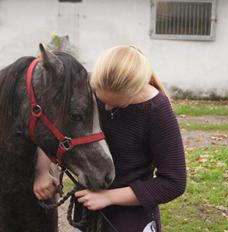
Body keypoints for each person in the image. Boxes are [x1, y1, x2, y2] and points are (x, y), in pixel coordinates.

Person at [34, 45, 186, 232]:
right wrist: (42, 172)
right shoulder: (85, 89)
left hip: (131, 219)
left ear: (135, 91)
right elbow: (53, 127)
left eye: (114, 103)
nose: (105, 108)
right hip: (86, 215)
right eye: (101, 99)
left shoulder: (157, 110)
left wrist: (108, 197)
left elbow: (173, 182)